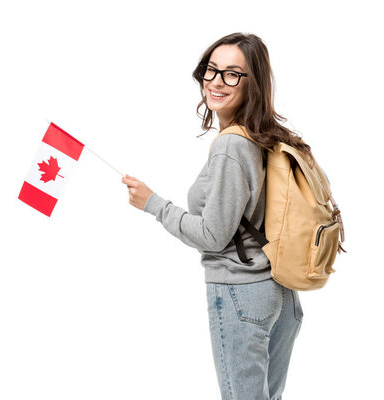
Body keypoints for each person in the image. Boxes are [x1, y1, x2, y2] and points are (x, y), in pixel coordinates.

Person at [121, 32, 314, 400]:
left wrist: (153, 203)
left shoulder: (230, 146)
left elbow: (213, 236)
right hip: (281, 292)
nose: (216, 82)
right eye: (211, 70)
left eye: (232, 74)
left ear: (252, 83)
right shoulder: (268, 135)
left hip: (241, 293)